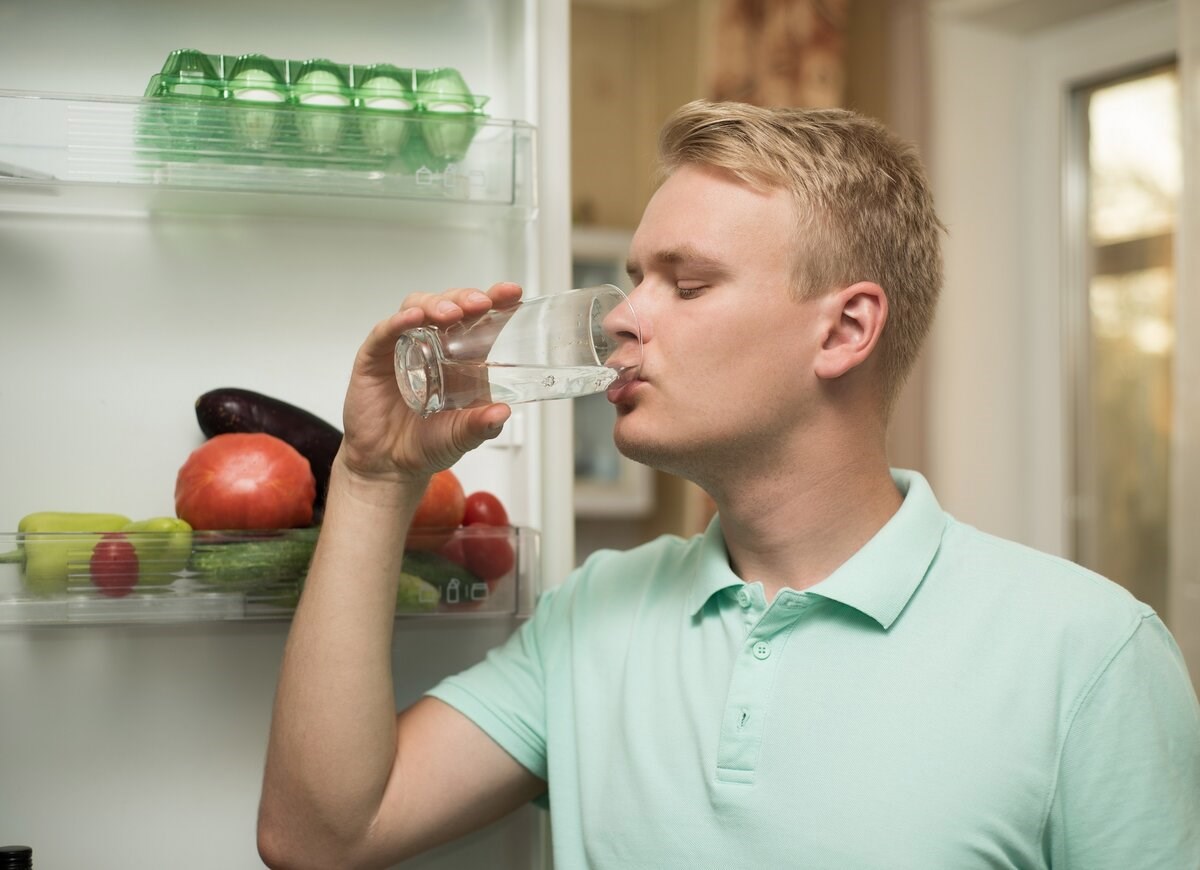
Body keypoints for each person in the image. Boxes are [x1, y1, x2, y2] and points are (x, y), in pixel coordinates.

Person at [257, 100, 1200, 869]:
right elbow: (321, 835)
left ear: (844, 331)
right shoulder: (595, 614)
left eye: (688, 283)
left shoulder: (1088, 653)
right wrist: (375, 478)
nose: (624, 316)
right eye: (635, 279)